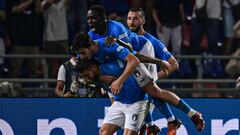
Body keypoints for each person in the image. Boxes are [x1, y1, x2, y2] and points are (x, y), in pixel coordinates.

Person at [73, 32, 205, 132]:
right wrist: (99, 78)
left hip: (136, 59)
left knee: (154, 92)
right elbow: (85, 74)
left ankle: (190, 114)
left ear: (90, 45)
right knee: (120, 99)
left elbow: (135, 58)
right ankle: (152, 125)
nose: (82, 56)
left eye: (83, 53)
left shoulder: (109, 44)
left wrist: (159, 62)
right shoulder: (84, 57)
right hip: (119, 68)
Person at [127, 8, 181, 135]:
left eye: (135, 18)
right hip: (132, 92)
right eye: (129, 18)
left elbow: (174, 64)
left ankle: (172, 121)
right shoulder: (126, 39)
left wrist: (153, 78)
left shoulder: (152, 41)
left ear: (143, 20)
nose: (131, 22)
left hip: (145, 93)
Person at [77, 59, 149, 135]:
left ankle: (142, 125)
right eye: (83, 76)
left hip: (136, 102)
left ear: (94, 67)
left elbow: (132, 62)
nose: (86, 79)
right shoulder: (95, 77)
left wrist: (119, 80)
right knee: (103, 133)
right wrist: (99, 79)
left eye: (87, 75)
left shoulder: (112, 68)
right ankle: (141, 125)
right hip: (119, 102)